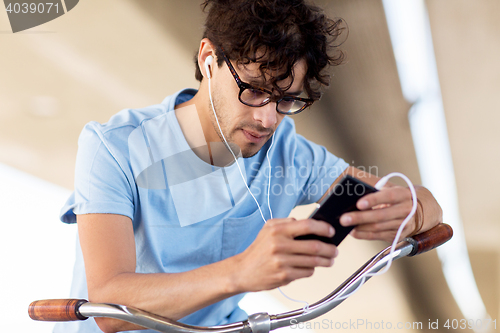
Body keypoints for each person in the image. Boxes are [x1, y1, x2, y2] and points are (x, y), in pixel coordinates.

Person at [55, 1, 442, 332]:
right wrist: (241, 270)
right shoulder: (114, 147)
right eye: (254, 90)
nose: (269, 120)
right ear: (209, 60)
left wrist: (416, 207)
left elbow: (406, 201)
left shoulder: (291, 154)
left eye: (286, 100)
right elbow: (109, 305)